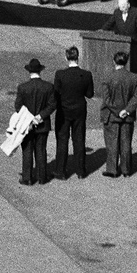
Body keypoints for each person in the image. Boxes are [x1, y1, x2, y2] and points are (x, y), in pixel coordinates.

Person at [52, 46, 94, 180]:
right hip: (79, 110)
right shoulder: (86, 74)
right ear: (78, 57)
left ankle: (60, 170)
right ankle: (80, 170)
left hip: (64, 110)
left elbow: (56, 93)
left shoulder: (60, 74)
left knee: (62, 140)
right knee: (79, 139)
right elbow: (89, 94)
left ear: (66, 57)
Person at [14, 58, 55, 186]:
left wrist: (29, 118)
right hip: (43, 124)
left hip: (27, 124)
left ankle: (27, 177)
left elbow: (18, 106)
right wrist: (40, 116)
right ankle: (42, 177)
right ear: (40, 71)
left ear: (29, 72)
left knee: (27, 150)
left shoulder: (23, 88)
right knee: (41, 149)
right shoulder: (48, 87)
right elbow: (52, 105)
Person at [100, 51, 137, 178]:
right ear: (126, 62)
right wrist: (126, 110)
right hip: (127, 116)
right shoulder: (134, 77)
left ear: (114, 61)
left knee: (112, 143)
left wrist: (117, 111)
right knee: (126, 143)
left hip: (111, 116)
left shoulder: (108, 77)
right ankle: (126, 170)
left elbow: (106, 99)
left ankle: (112, 169)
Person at [100, 0, 137, 75]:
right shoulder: (117, 12)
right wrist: (100, 32)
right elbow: (109, 24)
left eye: (123, 7)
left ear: (128, 5)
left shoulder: (136, 13)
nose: (122, 9)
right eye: (120, 7)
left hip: (134, 44)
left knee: (134, 66)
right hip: (120, 43)